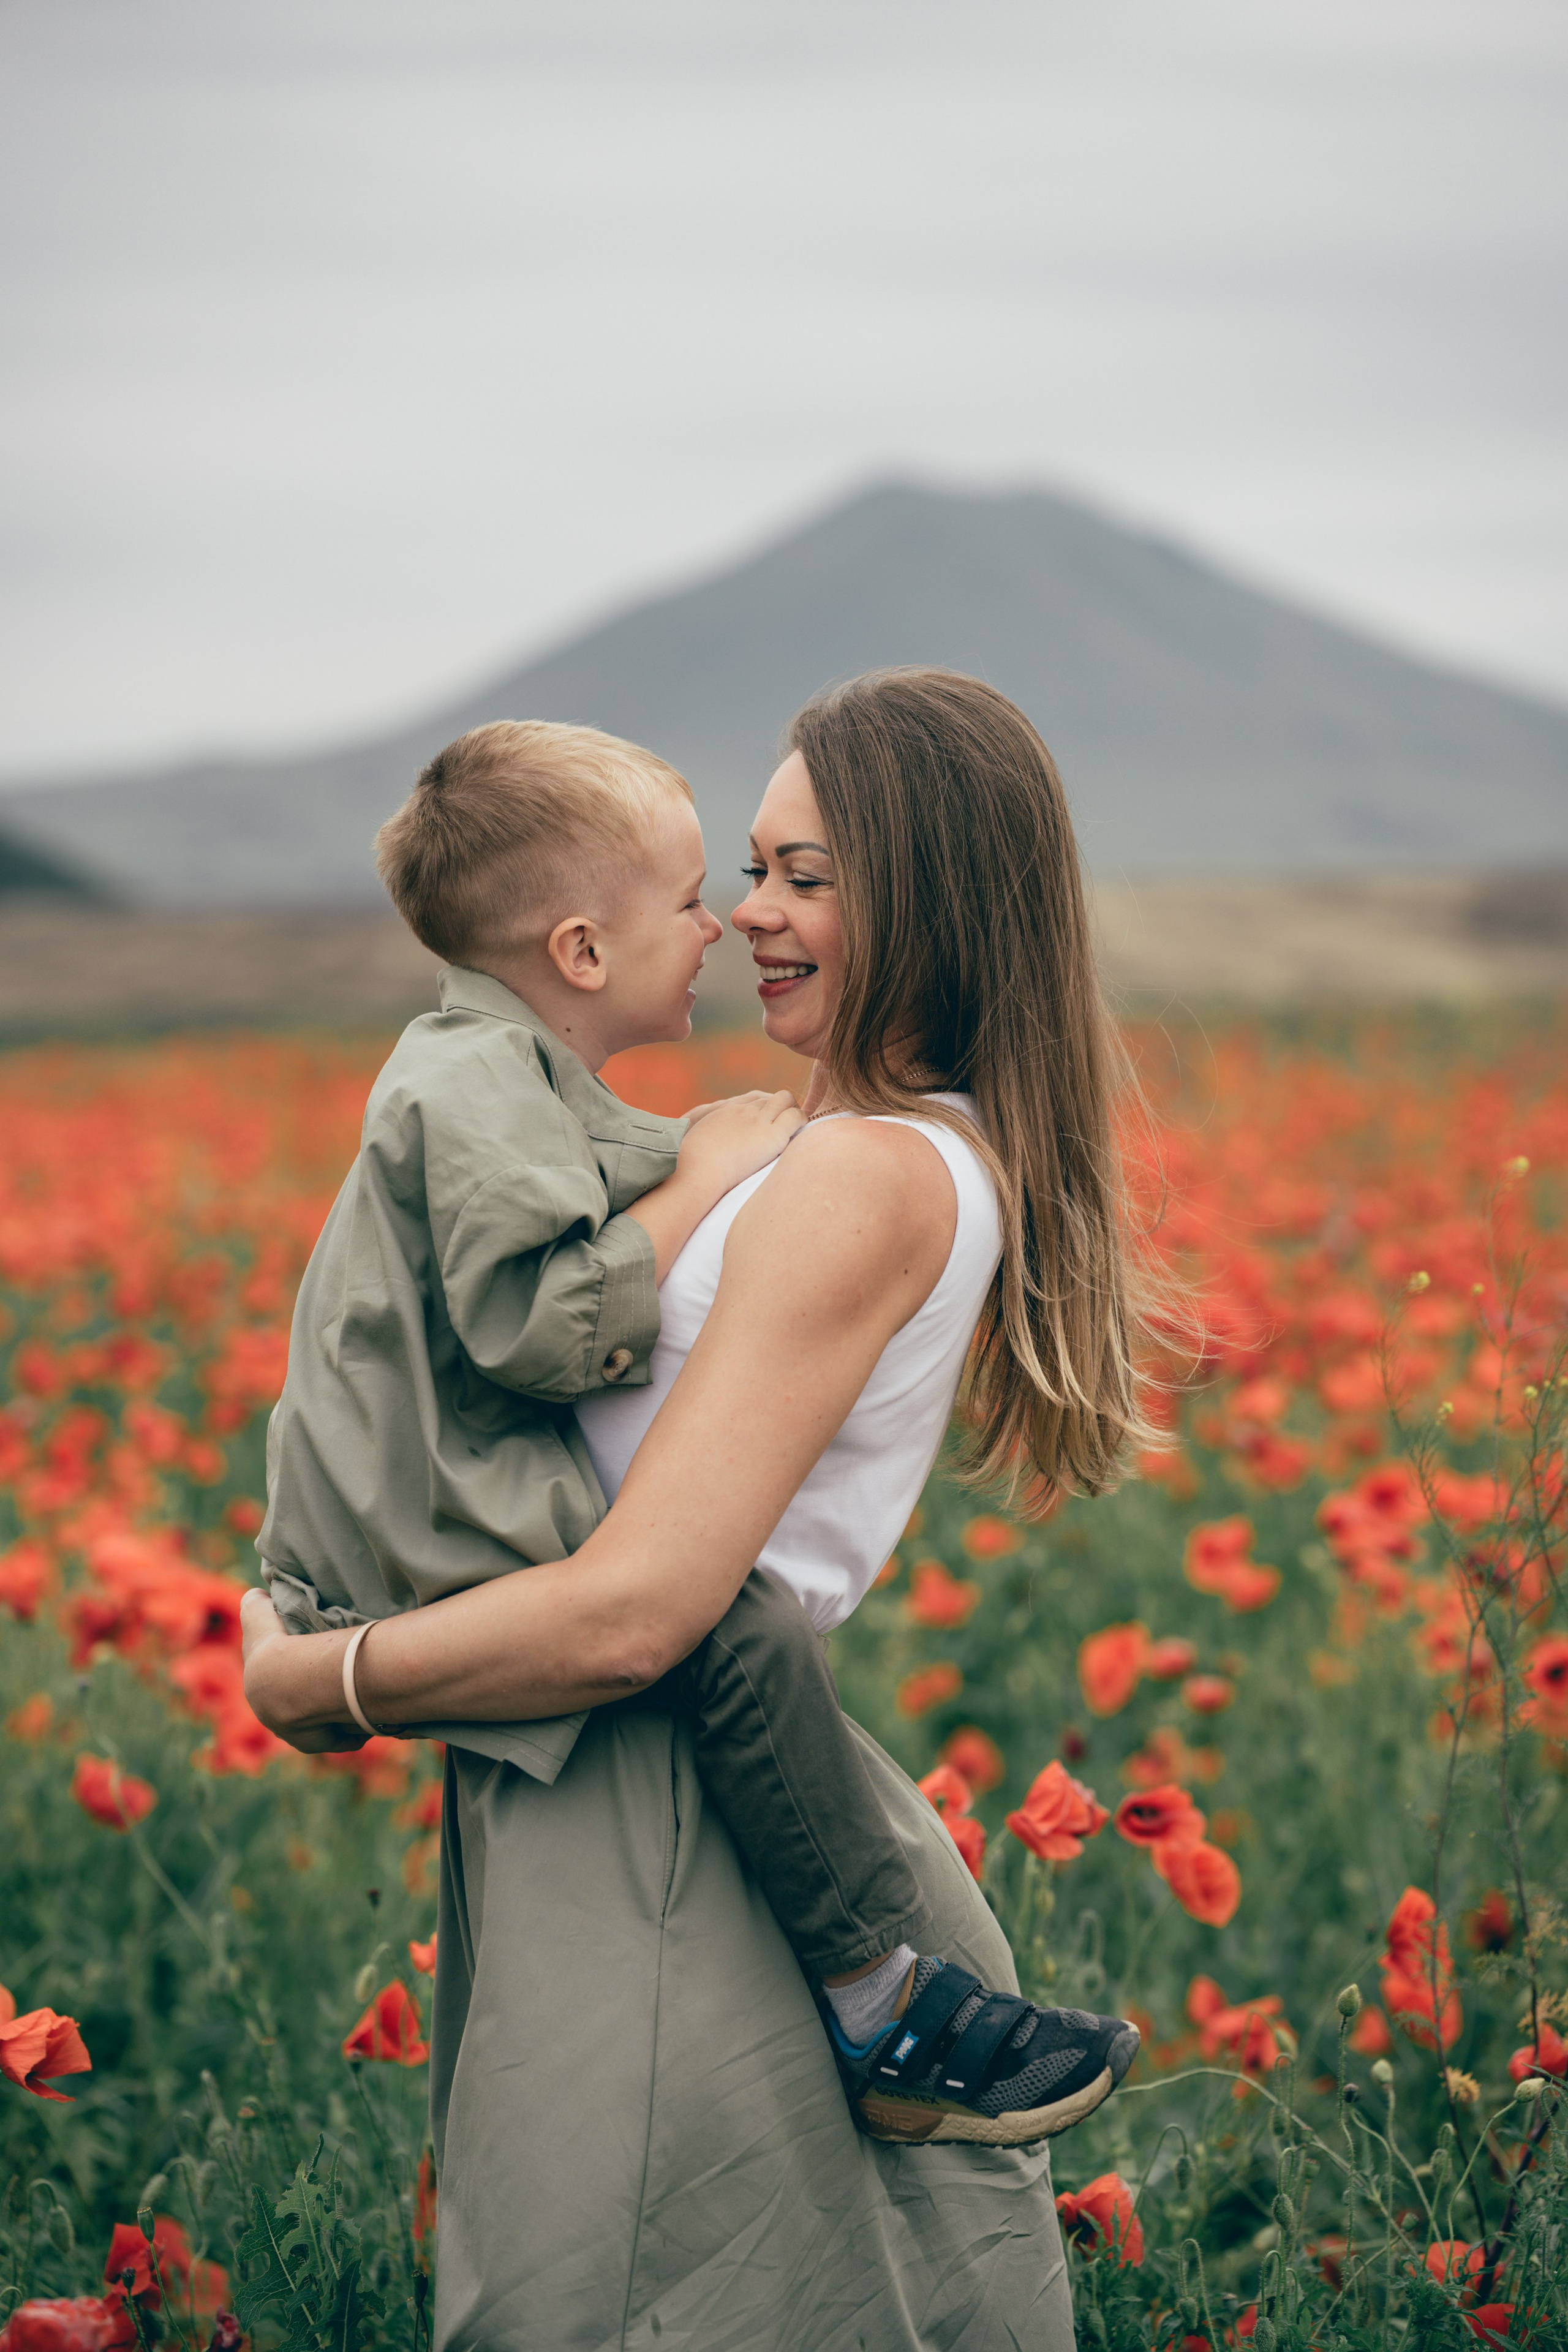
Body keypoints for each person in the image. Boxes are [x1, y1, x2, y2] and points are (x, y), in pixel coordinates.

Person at [244, 667, 1153, 2351]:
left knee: (598, 2305)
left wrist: (326, 1677)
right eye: (751, 869)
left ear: (934, 898)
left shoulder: (866, 1172)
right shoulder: (825, 1144)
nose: (749, 916)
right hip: (631, 1769)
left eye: (809, 876)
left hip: (663, 1786)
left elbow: (641, 1611)